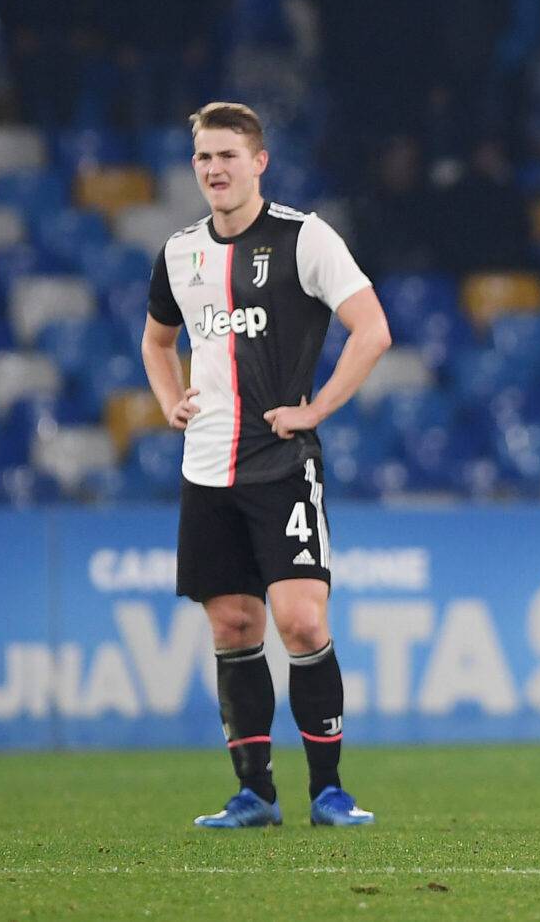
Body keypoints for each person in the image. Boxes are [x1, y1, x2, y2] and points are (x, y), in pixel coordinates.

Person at [140, 102, 391, 828]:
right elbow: (157, 343)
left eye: (227, 155)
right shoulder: (179, 252)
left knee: (302, 621)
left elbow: (372, 330)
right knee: (232, 625)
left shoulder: (303, 237)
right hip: (206, 469)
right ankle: (254, 794)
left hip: (280, 463)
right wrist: (167, 401)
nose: (214, 169)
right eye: (203, 158)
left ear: (259, 162)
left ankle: (330, 791)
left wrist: (317, 410)